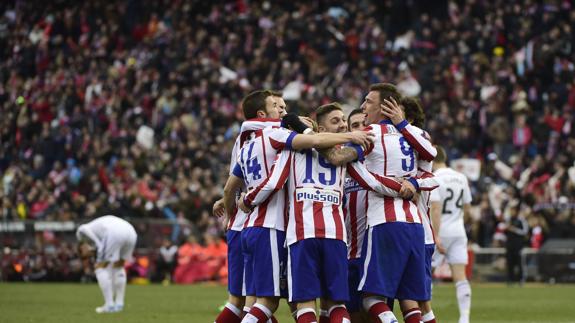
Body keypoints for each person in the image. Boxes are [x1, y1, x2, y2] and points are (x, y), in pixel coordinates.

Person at [240, 103, 411, 323]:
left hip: (302, 234)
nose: (342, 125)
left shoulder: (292, 150)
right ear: (320, 130)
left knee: (305, 304)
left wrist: (247, 199)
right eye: (335, 121)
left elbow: (273, 182)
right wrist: (404, 187)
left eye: (342, 120)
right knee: (336, 305)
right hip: (334, 235)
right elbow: (372, 181)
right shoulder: (344, 155)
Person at [430, 146, 473, 323]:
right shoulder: (461, 177)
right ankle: (464, 318)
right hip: (458, 231)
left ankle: (426, 315)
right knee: (460, 276)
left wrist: (436, 235)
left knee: (426, 275)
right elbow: (468, 208)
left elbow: (435, 207)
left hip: (440, 231)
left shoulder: (434, 177)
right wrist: (460, 222)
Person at [76, 215, 137, 313]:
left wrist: (99, 244)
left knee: (99, 268)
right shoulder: (95, 234)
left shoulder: (81, 236)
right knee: (118, 266)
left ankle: (109, 305)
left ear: (81, 248)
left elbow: (82, 228)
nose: (87, 254)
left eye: (84, 254)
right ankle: (119, 304)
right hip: (131, 232)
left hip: (115, 232)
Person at [504, 202, 528, 285]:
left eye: (513, 210)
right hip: (509, 245)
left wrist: (514, 230)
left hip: (518, 245)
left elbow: (525, 231)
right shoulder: (509, 220)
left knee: (519, 263)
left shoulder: (521, 220)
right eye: (511, 210)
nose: (511, 212)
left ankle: (521, 279)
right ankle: (510, 279)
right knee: (510, 263)